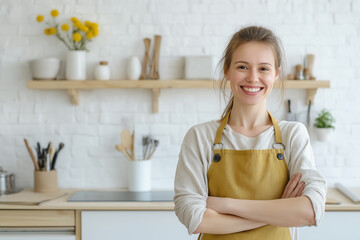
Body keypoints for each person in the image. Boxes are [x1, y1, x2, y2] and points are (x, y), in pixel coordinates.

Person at [174, 25, 327, 240]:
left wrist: (225, 204)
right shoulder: (200, 137)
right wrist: (280, 210)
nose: (253, 78)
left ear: (275, 74)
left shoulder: (293, 134)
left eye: (263, 68)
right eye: (242, 67)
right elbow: (195, 219)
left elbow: (311, 211)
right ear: (227, 71)